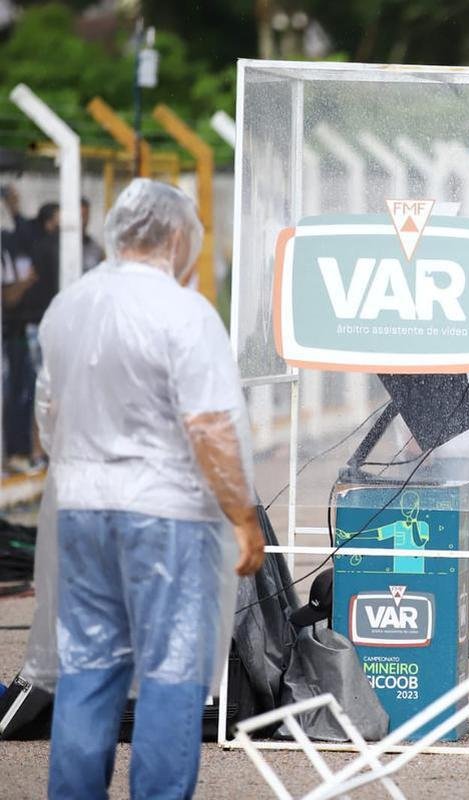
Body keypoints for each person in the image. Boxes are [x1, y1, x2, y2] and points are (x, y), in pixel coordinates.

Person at [34, 179, 265, 798]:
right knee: (171, 669)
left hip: (81, 510)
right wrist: (242, 517)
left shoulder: (68, 306)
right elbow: (210, 428)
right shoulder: (184, 312)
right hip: (166, 515)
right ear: (174, 234)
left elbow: (47, 417)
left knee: (88, 664)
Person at [3, 202, 59, 470]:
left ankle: (28, 452)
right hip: (24, 330)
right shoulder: (36, 248)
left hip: (25, 330)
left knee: (33, 391)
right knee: (31, 390)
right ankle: (25, 452)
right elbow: (10, 299)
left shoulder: (34, 248)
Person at [80, 197, 104, 272]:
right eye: (79, 216)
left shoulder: (95, 247)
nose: (82, 221)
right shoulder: (56, 246)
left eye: (85, 216)